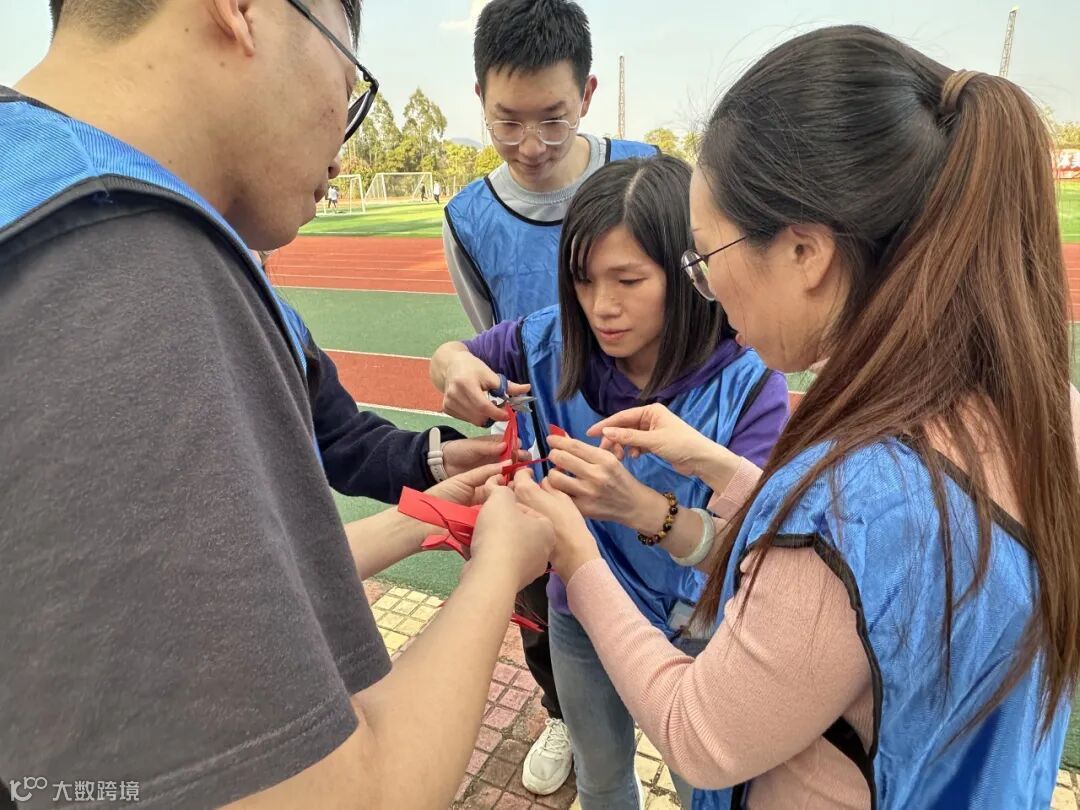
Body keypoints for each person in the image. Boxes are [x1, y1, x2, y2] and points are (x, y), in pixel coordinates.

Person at [511, 25, 1080, 810]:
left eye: (706, 258)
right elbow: (868, 576)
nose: (710, 291)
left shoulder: (849, 500)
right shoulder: (1041, 408)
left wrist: (576, 555)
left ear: (807, 252)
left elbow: (697, 732)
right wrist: (714, 464)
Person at [0, 2, 554, 808]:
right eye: (349, 81)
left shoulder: (47, 194)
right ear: (241, 11)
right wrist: (500, 567)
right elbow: (341, 797)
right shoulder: (117, 265)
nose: (343, 137)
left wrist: (430, 511)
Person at [431, 155, 789, 807]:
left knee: (708, 793)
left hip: (698, 631)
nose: (602, 306)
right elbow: (453, 354)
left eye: (628, 279)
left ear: (689, 273)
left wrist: (641, 507)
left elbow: (752, 552)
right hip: (581, 617)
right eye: (583, 279)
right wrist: (452, 367)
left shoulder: (749, 385)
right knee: (601, 783)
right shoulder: (549, 340)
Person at [442, 0, 658, 791]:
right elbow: (489, 338)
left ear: (588, 94)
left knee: (659, 586)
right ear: (480, 99)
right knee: (548, 606)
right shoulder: (467, 217)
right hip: (543, 460)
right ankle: (564, 712)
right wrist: (453, 366)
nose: (531, 145)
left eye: (554, 120)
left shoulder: (649, 176)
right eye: (507, 122)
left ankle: (666, 705)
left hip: (647, 452)